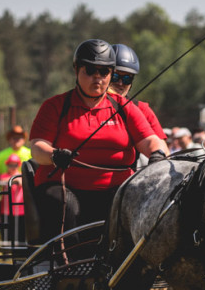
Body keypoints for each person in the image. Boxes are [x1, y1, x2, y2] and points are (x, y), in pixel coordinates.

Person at [29, 39, 167, 241]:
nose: (97, 77)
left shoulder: (124, 107)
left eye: (104, 72)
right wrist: (54, 155)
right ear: (76, 70)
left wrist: (157, 155)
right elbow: (37, 148)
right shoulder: (55, 106)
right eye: (90, 70)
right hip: (66, 187)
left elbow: (150, 140)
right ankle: (68, 265)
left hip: (115, 190)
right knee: (63, 203)